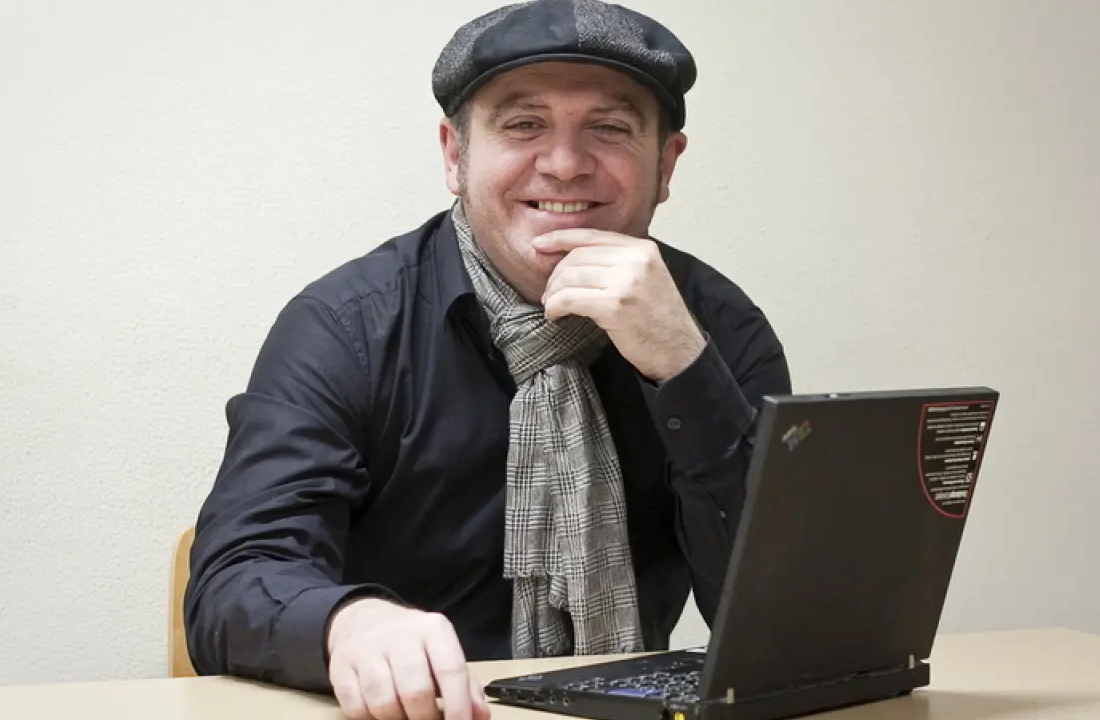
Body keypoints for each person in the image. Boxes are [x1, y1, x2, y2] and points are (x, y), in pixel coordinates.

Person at [183, 1, 791, 719]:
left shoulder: (717, 327)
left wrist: (684, 372)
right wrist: (347, 624)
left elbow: (783, 626)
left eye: (609, 128)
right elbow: (234, 579)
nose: (564, 164)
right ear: (455, 155)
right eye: (524, 124)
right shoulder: (347, 328)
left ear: (665, 163)